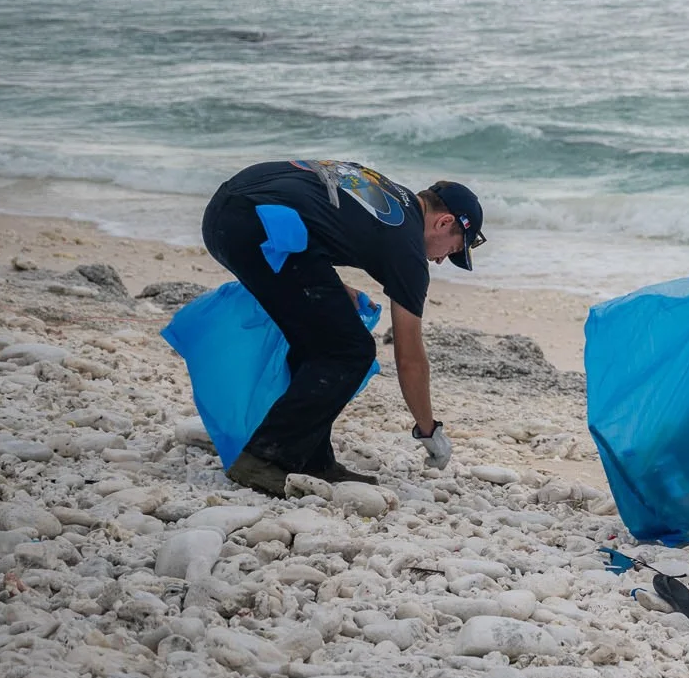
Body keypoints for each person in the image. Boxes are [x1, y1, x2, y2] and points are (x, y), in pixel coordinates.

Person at [200, 159, 481, 495]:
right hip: (253, 226)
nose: (439, 260)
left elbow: (316, 213)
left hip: (233, 208)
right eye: (450, 250)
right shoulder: (407, 249)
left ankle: (312, 459)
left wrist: (330, 287)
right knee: (350, 351)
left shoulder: (390, 193)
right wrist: (428, 429)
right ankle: (264, 459)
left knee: (322, 337)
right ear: (444, 221)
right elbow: (410, 359)